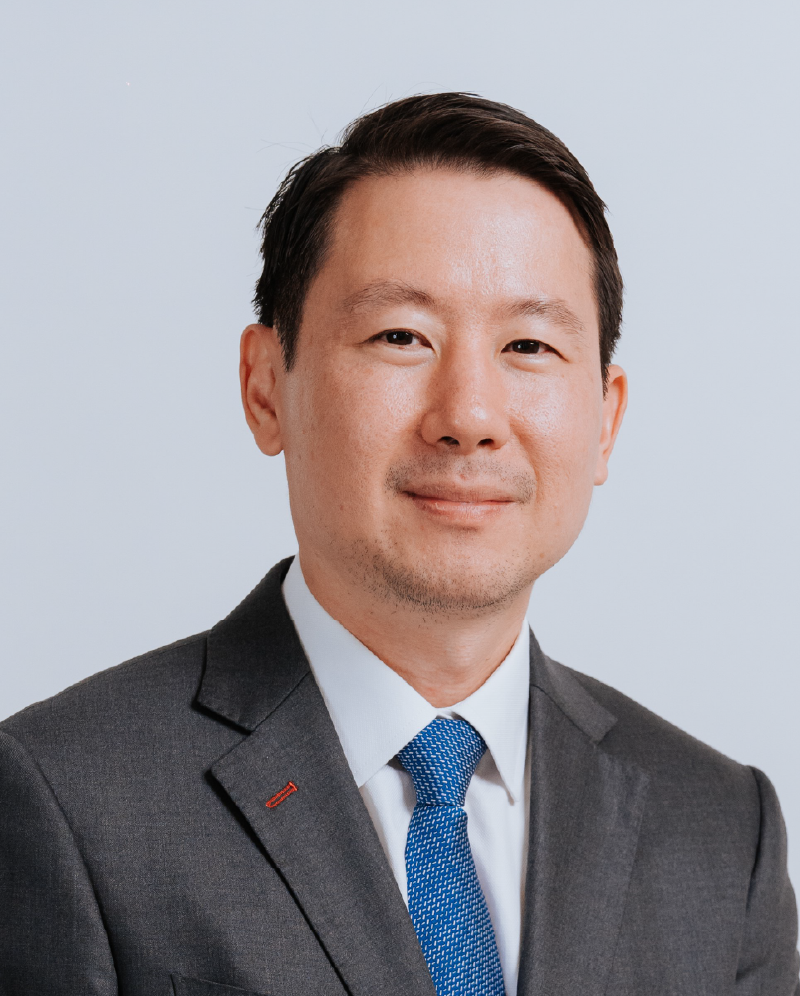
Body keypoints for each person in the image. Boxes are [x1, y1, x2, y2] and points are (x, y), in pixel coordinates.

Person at [0, 93, 797, 996]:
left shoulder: (721, 833)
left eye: (529, 346)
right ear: (265, 388)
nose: (469, 416)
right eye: (401, 336)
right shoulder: (66, 801)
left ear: (605, 421)